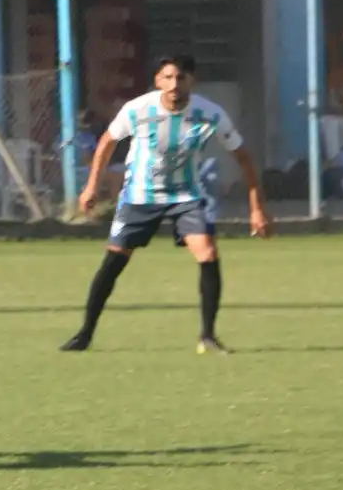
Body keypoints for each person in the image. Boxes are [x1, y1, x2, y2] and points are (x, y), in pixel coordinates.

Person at [60, 55, 271, 354]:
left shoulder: (209, 114)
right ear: (158, 81)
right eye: (168, 78)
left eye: (180, 78)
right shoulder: (137, 110)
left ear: (192, 81)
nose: (174, 85)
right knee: (115, 261)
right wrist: (91, 186)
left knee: (208, 252)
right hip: (139, 197)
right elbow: (107, 142)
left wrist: (257, 207)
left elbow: (243, 157)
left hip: (186, 196)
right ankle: (84, 334)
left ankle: (208, 336)